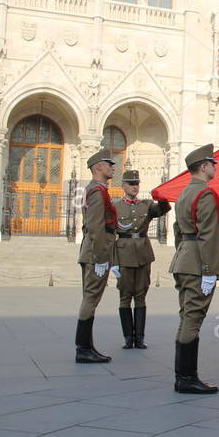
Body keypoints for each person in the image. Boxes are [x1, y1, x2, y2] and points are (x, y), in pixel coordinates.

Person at [165, 145, 219, 394]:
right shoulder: (205, 194)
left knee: (186, 316)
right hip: (198, 262)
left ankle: (183, 376)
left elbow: (179, 230)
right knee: (193, 318)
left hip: (184, 258)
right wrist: (209, 270)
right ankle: (187, 378)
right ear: (203, 167)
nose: (215, 167)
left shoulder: (184, 193)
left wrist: (184, 254)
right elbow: (208, 235)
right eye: (212, 163)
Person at [112, 170, 171, 349]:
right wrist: (112, 261)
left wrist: (161, 195)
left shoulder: (146, 205)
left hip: (143, 254)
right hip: (123, 254)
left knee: (140, 296)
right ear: (123, 186)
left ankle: (140, 338)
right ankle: (128, 338)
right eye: (130, 183)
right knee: (124, 297)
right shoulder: (115, 206)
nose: (134, 187)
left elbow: (163, 209)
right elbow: (108, 233)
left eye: (136, 183)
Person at [75, 149, 117, 363]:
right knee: (91, 299)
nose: (113, 166)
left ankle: (86, 346)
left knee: (90, 299)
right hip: (95, 252)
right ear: (98, 166)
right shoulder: (97, 191)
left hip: (93, 251)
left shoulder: (96, 189)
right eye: (109, 163)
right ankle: (83, 348)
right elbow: (96, 227)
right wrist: (101, 258)